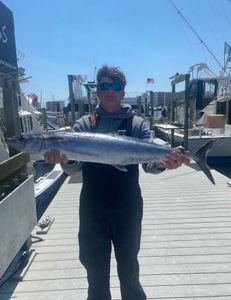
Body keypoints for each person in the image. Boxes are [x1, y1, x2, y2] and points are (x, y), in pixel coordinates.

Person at [44, 65, 188, 300]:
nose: (110, 91)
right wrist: (64, 160)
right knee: (95, 274)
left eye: (116, 86)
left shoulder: (137, 124)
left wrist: (164, 163)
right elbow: (73, 169)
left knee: (129, 271)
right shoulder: (83, 126)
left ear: (123, 92)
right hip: (93, 209)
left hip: (128, 208)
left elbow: (150, 165)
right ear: (97, 92)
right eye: (104, 86)